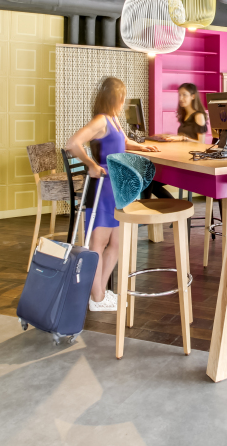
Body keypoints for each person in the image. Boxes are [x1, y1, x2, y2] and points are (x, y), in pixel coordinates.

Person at [65, 77, 160, 312]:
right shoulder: (101, 120)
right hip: (103, 187)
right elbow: (73, 143)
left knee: (117, 242)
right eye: (122, 97)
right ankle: (96, 297)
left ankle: (100, 292)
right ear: (115, 98)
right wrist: (90, 164)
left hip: (117, 187)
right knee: (98, 242)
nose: (124, 101)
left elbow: (123, 142)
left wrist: (141, 147)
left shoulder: (114, 119)